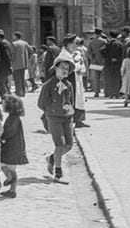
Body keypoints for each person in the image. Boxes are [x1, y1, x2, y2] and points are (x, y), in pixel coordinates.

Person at [38, 50, 76, 184]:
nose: (65, 71)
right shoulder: (48, 85)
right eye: (62, 68)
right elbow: (41, 103)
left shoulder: (69, 85)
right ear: (56, 68)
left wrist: (69, 110)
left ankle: (52, 159)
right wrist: (52, 110)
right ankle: (58, 173)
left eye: (67, 69)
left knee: (69, 145)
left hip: (68, 118)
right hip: (54, 118)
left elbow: (71, 101)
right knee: (60, 145)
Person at [0, 95, 28, 198]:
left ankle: (11, 182)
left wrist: (1, 135)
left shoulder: (13, 119)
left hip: (12, 147)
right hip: (13, 146)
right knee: (8, 167)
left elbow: (9, 131)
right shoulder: (13, 118)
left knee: (5, 165)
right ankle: (12, 186)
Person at [101, 32, 123, 98]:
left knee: (110, 78)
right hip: (118, 63)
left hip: (109, 63)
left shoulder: (108, 43)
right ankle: (117, 93)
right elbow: (122, 53)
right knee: (117, 78)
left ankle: (111, 93)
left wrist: (106, 56)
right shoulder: (120, 44)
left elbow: (101, 50)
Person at [72, 48, 89, 127]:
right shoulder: (75, 60)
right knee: (78, 100)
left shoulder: (79, 60)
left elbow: (83, 70)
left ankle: (79, 120)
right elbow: (76, 68)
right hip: (75, 82)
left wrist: (80, 69)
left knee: (80, 100)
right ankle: (77, 120)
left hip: (79, 82)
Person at [0, 29, 13, 98]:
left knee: (1, 83)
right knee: (5, 83)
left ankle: (4, 98)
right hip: (6, 66)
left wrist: (9, 66)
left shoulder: (2, 43)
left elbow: (6, 55)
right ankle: (9, 97)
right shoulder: (6, 42)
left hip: (3, 67)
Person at [88, 29, 107, 97]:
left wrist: (93, 60)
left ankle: (96, 92)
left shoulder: (91, 42)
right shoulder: (104, 41)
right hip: (103, 61)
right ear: (101, 33)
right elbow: (106, 51)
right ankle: (105, 91)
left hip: (94, 62)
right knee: (104, 77)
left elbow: (89, 53)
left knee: (96, 78)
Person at [11, 32, 30, 97]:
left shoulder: (14, 44)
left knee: (17, 79)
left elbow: (13, 54)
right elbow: (31, 50)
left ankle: (18, 92)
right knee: (22, 78)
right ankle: (23, 92)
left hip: (16, 63)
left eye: (13, 36)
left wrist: (11, 61)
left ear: (16, 36)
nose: (12, 37)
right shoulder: (25, 43)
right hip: (24, 63)